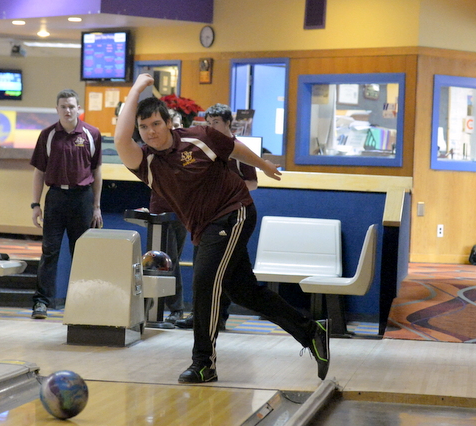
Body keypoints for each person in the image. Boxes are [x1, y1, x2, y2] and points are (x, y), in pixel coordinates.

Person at [114, 74, 330, 383]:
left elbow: (232, 147)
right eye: (144, 127)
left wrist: (263, 164)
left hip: (234, 212)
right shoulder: (145, 161)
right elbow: (121, 139)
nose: (151, 132)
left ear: (169, 122)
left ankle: (204, 363)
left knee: (204, 283)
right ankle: (311, 331)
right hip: (205, 227)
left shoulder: (199, 136)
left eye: (156, 124)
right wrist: (136, 89)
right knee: (243, 290)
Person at [175, 103, 258, 331]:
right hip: (206, 217)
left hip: (232, 216)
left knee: (226, 272)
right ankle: (200, 314)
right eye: (208, 123)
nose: (211, 127)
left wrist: (227, 190)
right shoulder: (204, 148)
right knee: (202, 267)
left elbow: (253, 182)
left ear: (228, 124)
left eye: (216, 123)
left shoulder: (238, 150)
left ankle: (219, 315)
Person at [30, 89, 103, 319]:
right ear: (57, 109)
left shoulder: (92, 134)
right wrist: (35, 204)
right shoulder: (47, 135)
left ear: (78, 108)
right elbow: (39, 172)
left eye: (72, 106)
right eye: (63, 106)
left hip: (82, 199)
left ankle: (83, 302)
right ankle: (41, 303)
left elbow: (97, 171)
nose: (68, 110)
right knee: (49, 251)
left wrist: (96, 206)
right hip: (55, 199)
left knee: (81, 253)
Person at [147, 109, 187, 324]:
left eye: (178, 124)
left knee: (172, 260)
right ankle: (174, 308)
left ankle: (170, 307)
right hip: (159, 211)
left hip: (181, 212)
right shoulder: (155, 151)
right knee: (166, 259)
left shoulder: (187, 152)